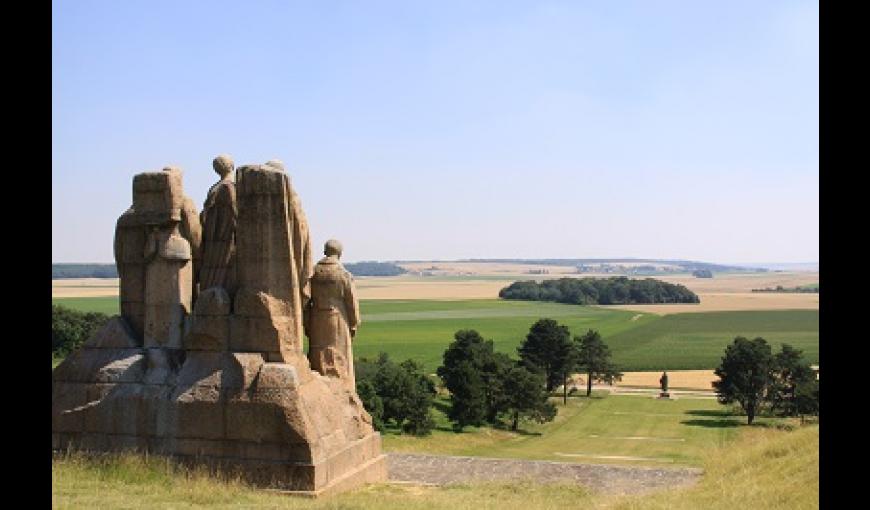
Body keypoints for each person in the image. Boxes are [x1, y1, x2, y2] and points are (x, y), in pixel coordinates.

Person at [306, 240, 360, 389]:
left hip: (316, 318)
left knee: (318, 353)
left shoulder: (314, 273)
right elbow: (351, 303)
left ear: (325, 252)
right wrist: (354, 323)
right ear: (340, 253)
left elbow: (305, 299)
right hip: (337, 319)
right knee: (340, 356)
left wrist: (307, 322)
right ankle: (342, 389)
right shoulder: (343, 274)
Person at [198, 154, 238, 297]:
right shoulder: (228, 187)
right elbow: (235, 213)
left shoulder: (217, 188)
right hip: (222, 239)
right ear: (232, 166)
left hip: (217, 238)